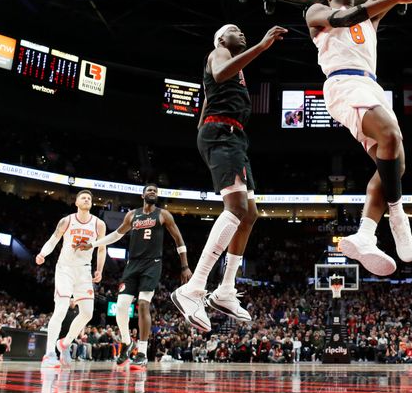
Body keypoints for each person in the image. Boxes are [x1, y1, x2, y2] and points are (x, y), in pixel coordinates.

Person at [304, 0, 412, 276]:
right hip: (342, 85)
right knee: (391, 135)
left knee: (395, 161)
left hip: (371, 87)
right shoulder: (319, 14)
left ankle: (365, 233)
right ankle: (398, 216)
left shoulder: (370, 19)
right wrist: (392, 0)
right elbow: (345, 19)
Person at [171, 23, 287, 331]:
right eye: (236, 30)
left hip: (232, 136)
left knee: (250, 214)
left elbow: (211, 94)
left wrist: (206, 133)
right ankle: (193, 288)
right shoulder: (219, 52)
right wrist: (261, 46)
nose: (242, 32)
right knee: (236, 209)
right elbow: (220, 76)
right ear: (221, 38)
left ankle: (224, 290)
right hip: (224, 132)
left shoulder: (230, 64)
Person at [82, 184, 192, 369]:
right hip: (132, 264)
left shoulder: (163, 215)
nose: (152, 193)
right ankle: (127, 343)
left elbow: (178, 239)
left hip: (152, 264)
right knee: (121, 307)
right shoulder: (132, 215)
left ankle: (141, 352)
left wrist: (185, 266)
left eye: (155, 192)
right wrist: (93, 244)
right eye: (149, 190)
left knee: (143, 304)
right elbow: (116, 235)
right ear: (142, 195)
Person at [36, 190, 106, 368]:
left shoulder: (99, 224)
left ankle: (64, 343)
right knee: (60, 309)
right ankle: (49, 353)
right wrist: (43, 254)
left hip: (84, 271)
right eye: (83, 197)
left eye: (90, 198)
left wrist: (99, 269)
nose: (87, 199)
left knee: (88, 313)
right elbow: (53, 240)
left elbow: (102, 249)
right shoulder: (67, 220)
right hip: (65, 269)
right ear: (76, 202)